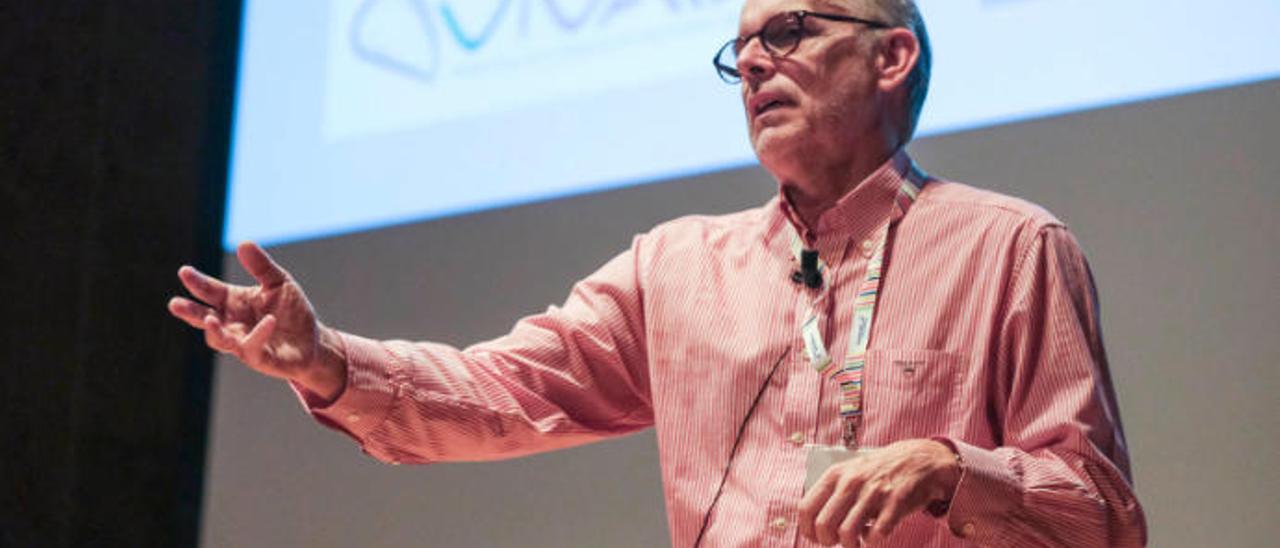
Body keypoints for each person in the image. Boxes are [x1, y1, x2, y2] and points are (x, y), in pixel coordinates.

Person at [169, 0, 1147, 546]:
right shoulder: (677, 267)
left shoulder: (1011, 249)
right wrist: (326, 359)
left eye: (789, 32)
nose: (754, 63)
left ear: (890, 55)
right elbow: (503, 392)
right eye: (739, 50)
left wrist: (947, 466)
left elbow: (1102, 517)